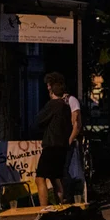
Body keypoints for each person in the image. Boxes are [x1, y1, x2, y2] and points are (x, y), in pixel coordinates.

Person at [45, 72, 83, 202]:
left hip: (66, 142)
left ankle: (69, 197)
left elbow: (76, 124)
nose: (48, 89)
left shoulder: (71, 101)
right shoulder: (57, 102)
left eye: (50, 86)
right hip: (58, 142)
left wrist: (69, 140)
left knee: (63, 169)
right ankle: (63, 197)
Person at [35, 79, 73, 206]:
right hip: (62, 146)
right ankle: (59, 209)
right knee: (56, 179)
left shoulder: (53, 104)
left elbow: (39, 120)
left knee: (40, 178)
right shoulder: (66, 106)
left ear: (51, 90)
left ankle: (44, 211)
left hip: (51, 145)